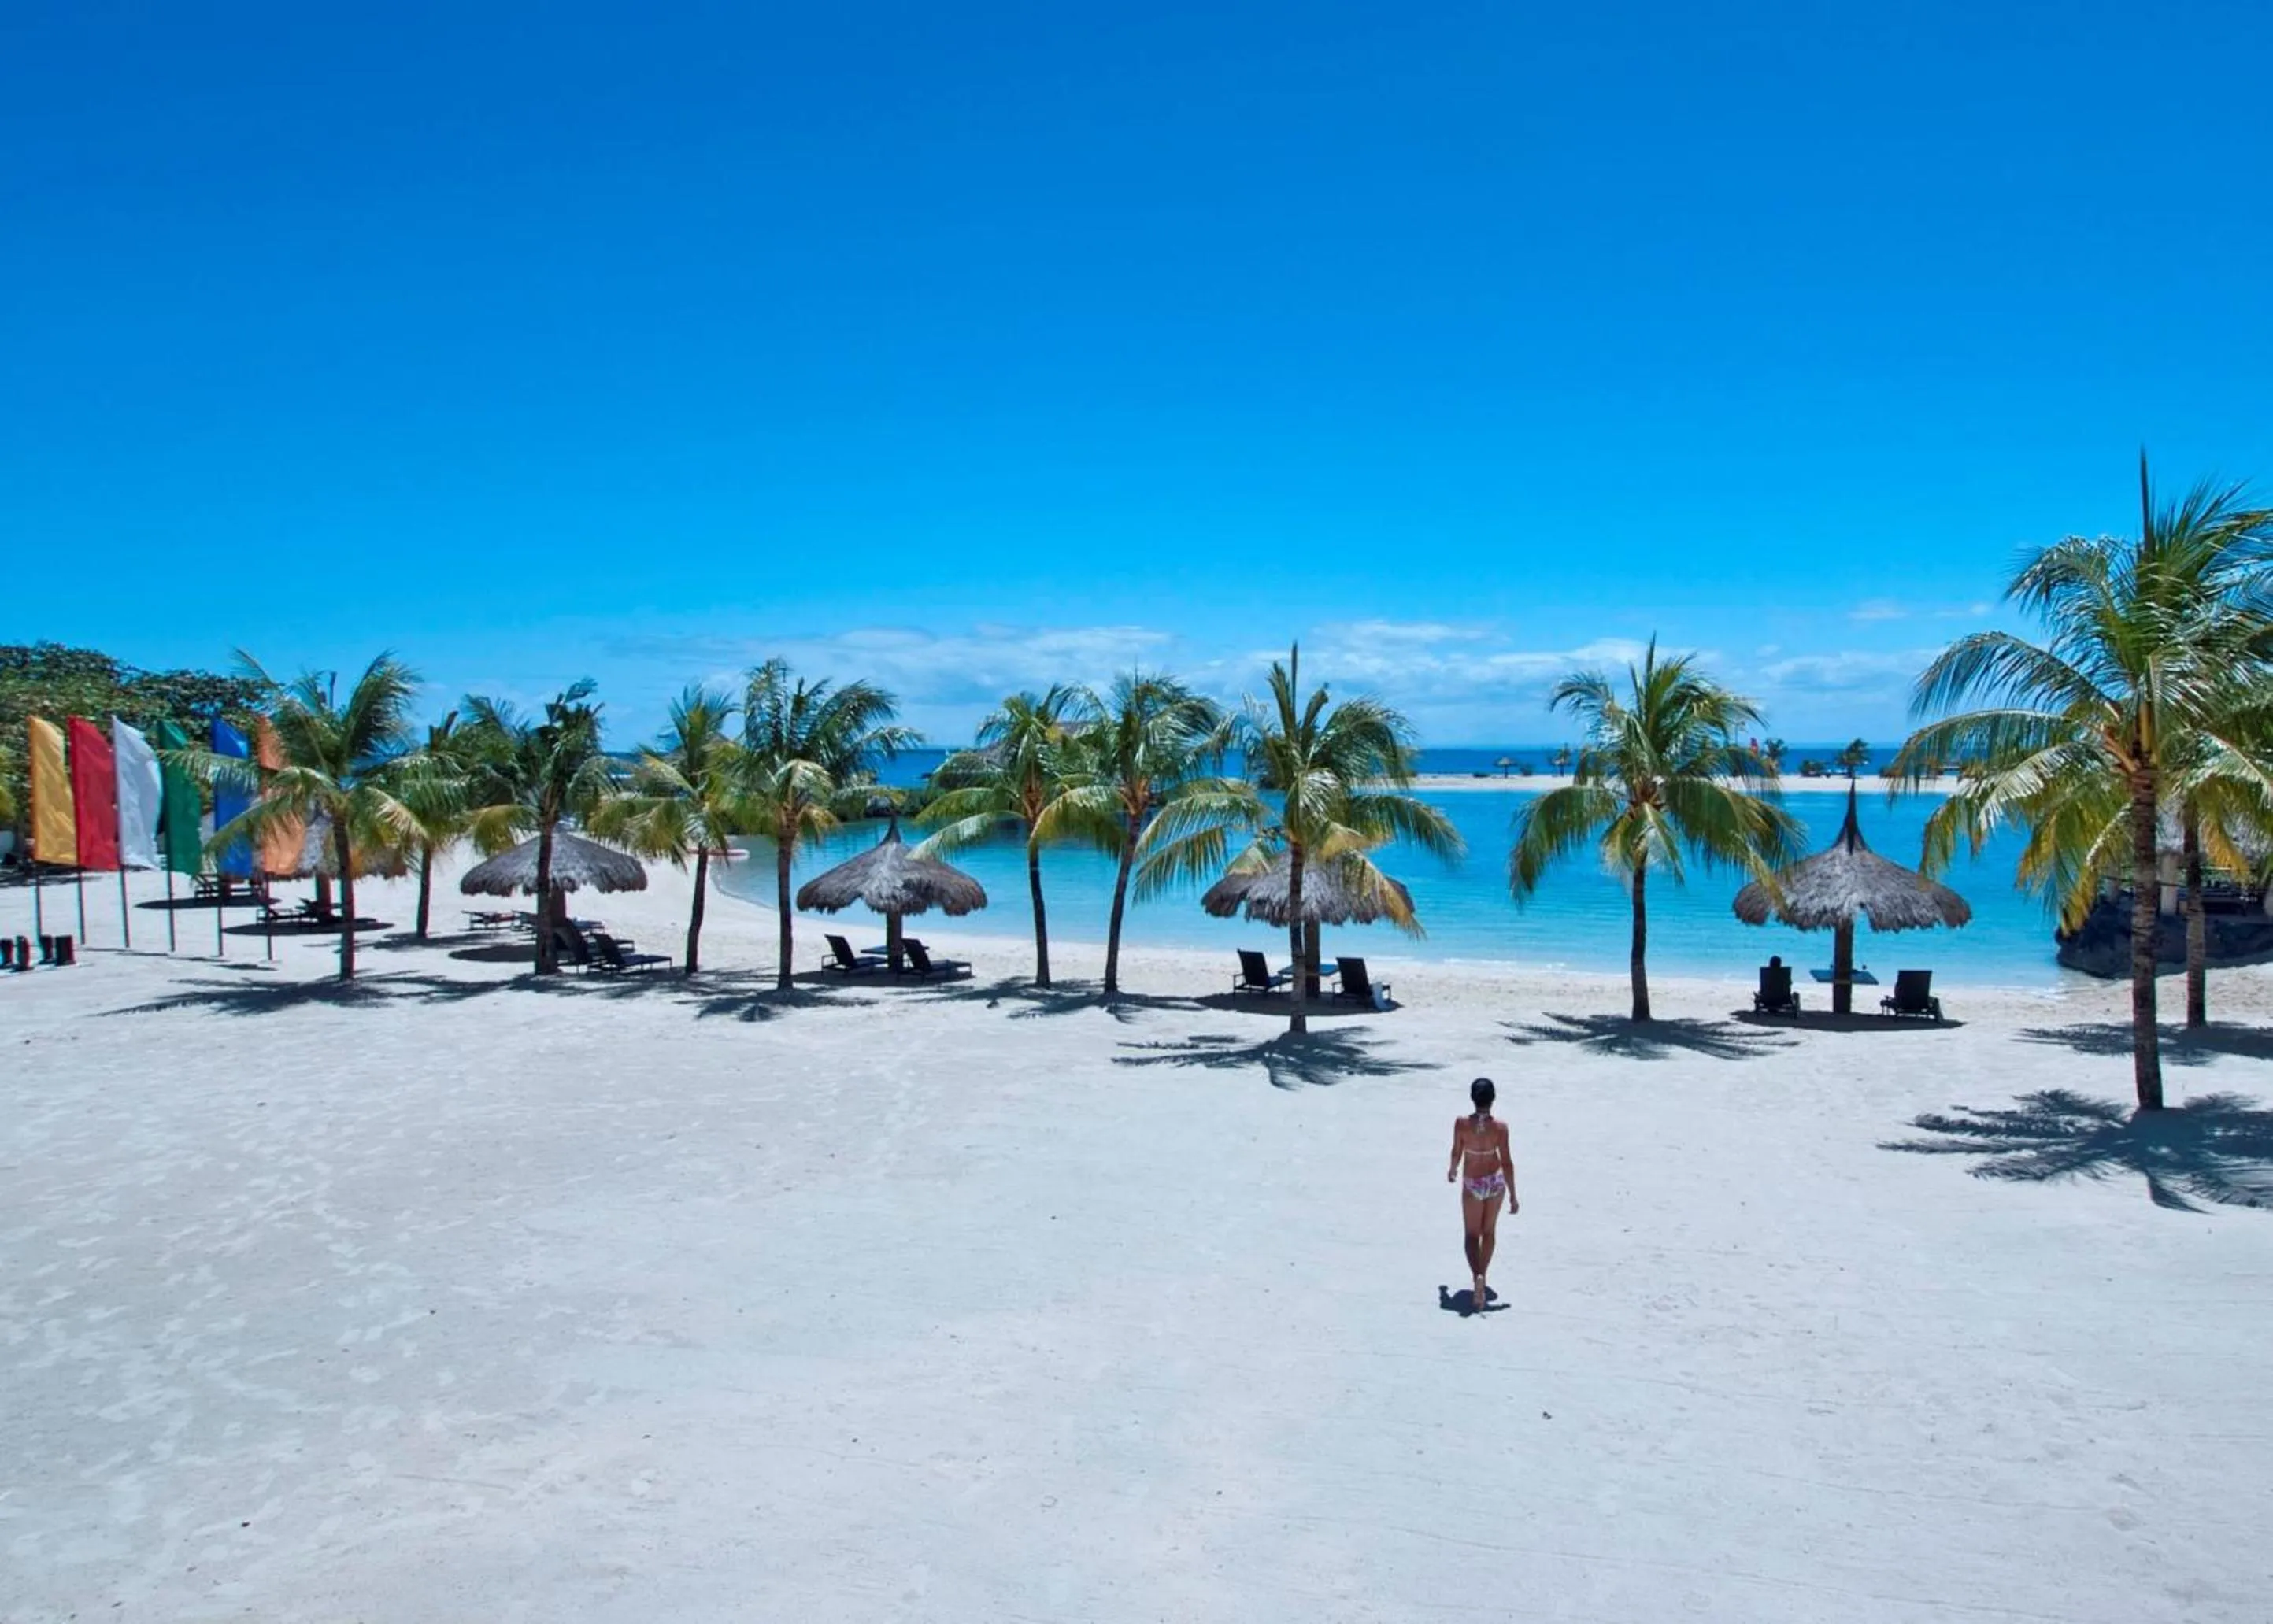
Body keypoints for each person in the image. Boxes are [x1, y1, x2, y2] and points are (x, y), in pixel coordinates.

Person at [1446, 1077, 1516, 1311]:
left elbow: (1457, 1151)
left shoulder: (1461, 1124)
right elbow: (1506, 1162)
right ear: (1493, 1099)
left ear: (1472, 1098)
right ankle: (1483, 1276)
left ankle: (1477, 1275)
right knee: (1488, 1232)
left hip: (1473, 1183)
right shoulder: (1501, 1128)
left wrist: (1453, 1169)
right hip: (1495, 1182)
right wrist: (1514, 1195)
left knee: (1471, 1235)